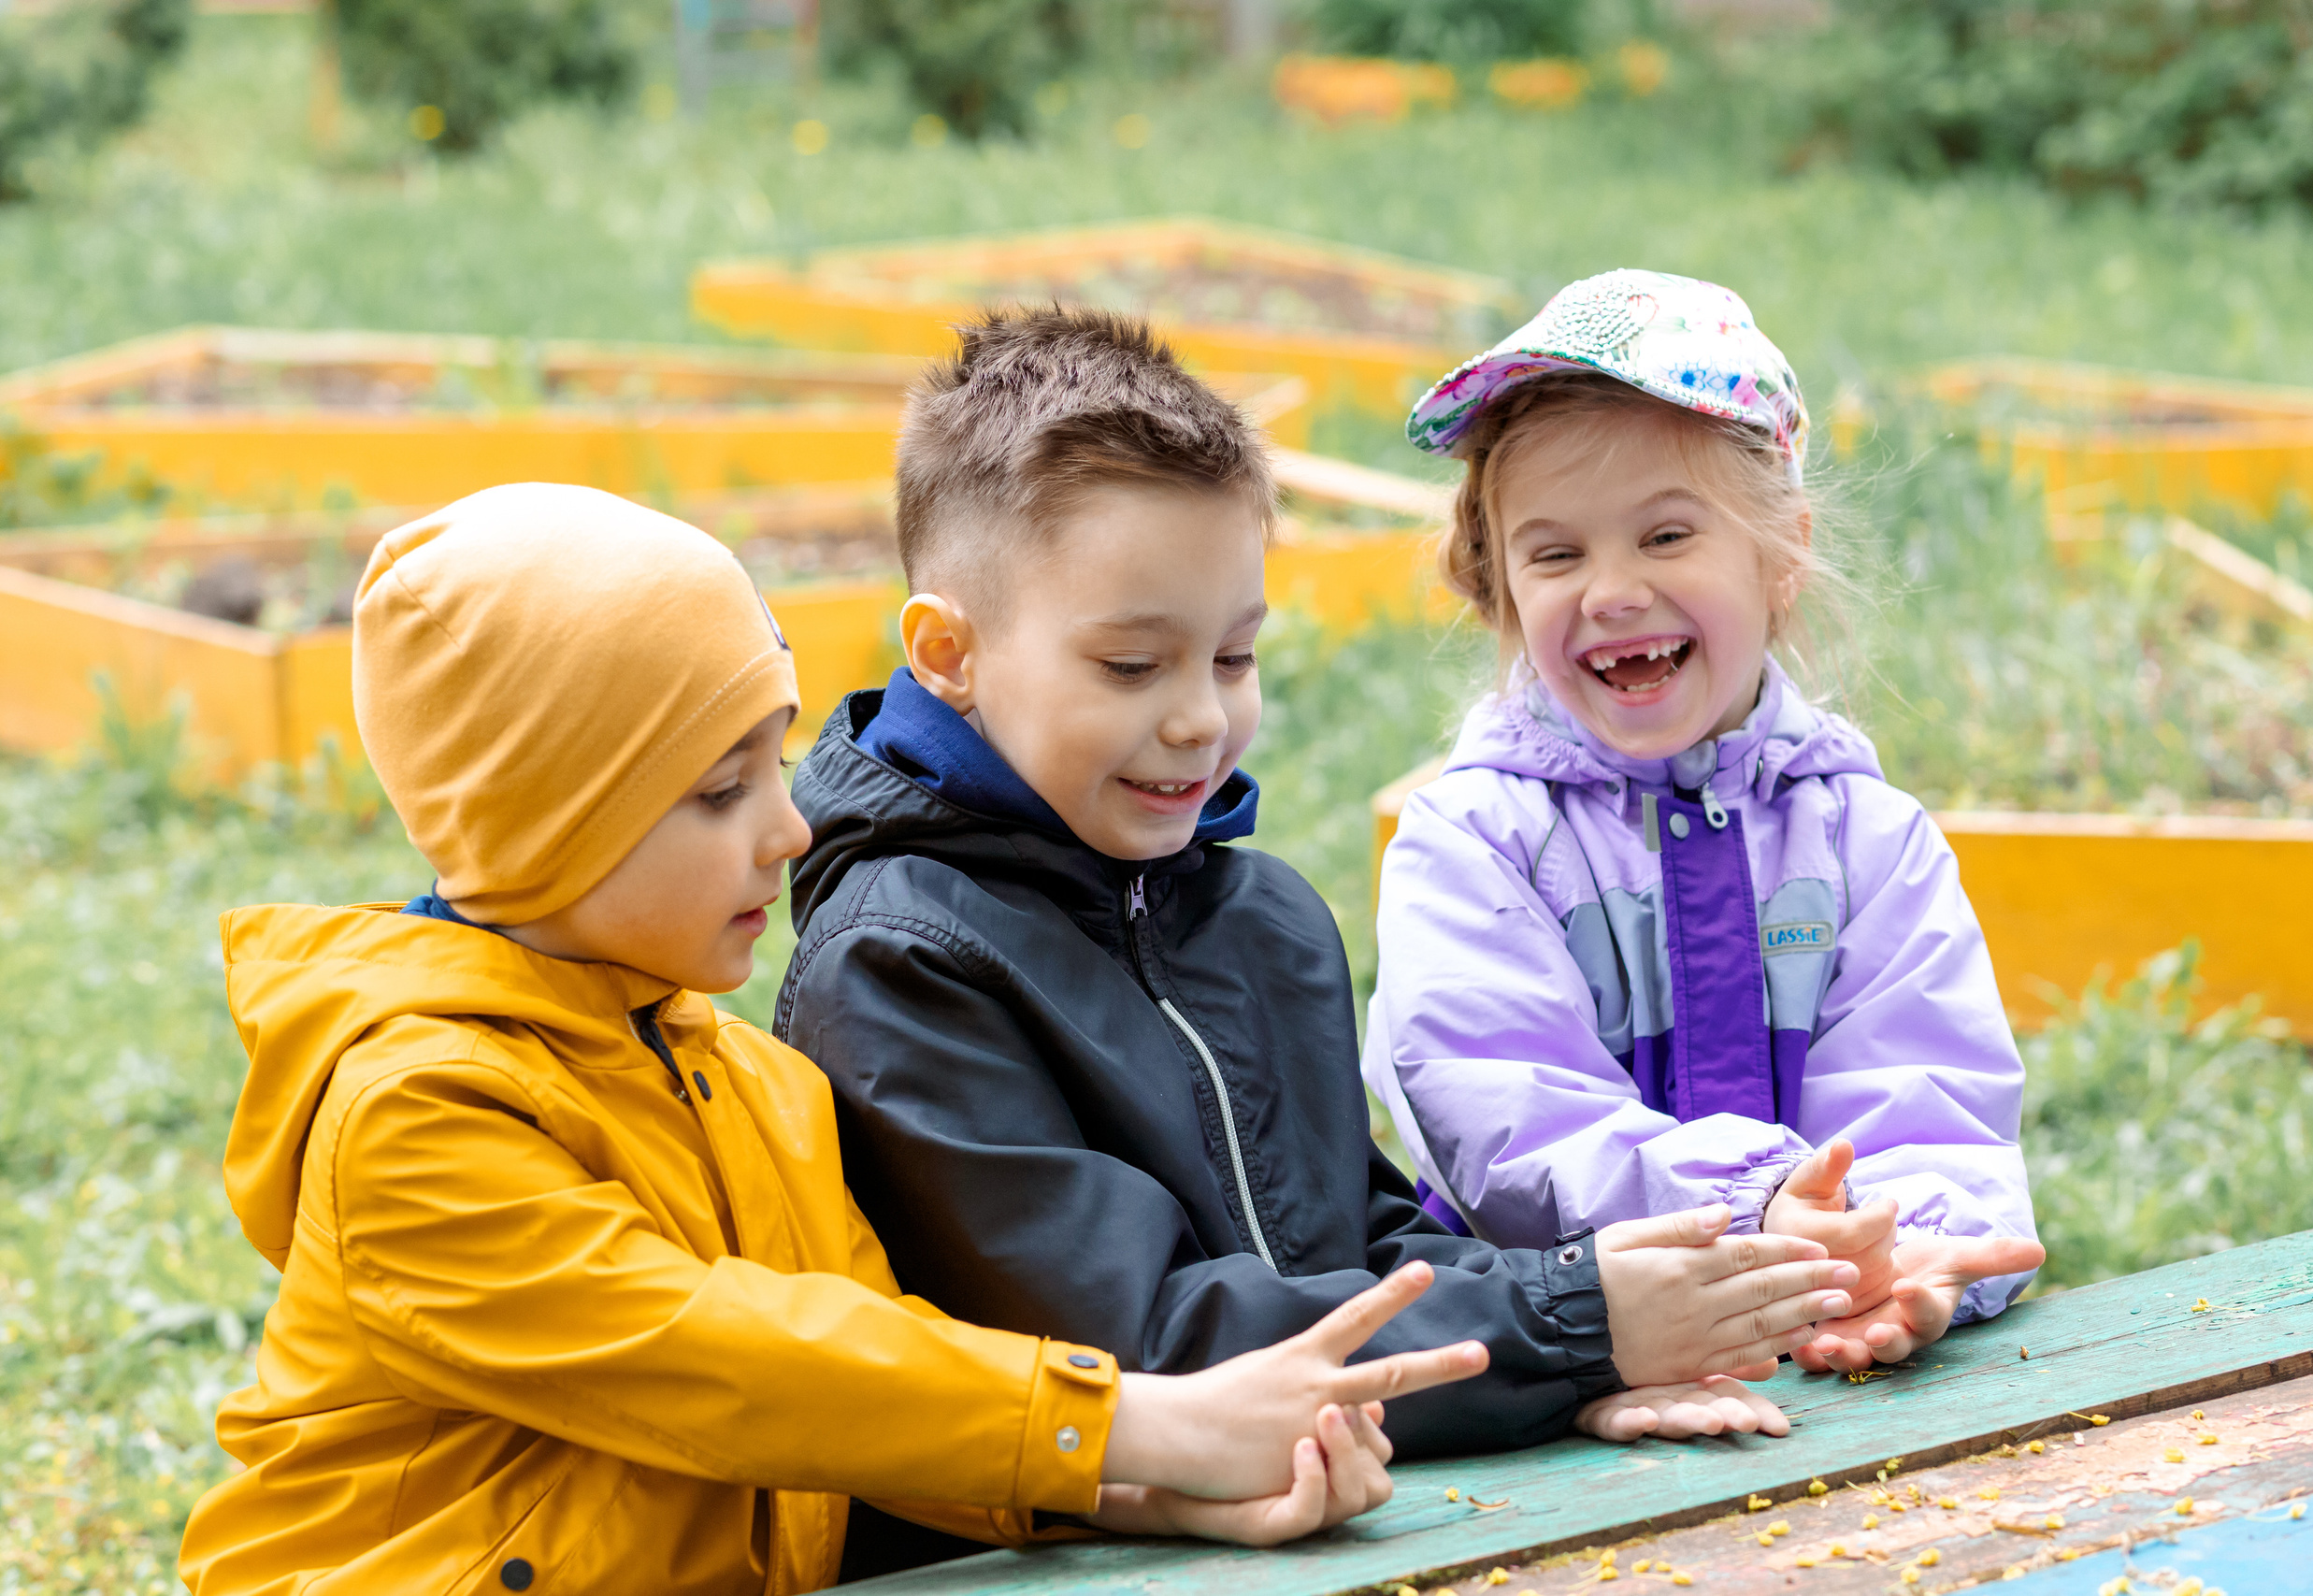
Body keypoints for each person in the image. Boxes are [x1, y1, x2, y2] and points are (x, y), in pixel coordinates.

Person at [178, 483, 1494, 1596]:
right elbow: (736, 1362)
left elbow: (879, 1386)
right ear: (539, 822)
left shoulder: (744, 1077)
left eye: (775, 759)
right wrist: (1137, 1423)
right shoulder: (412, 1118)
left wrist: (1139, 1490)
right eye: (717, 791)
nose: (791, 829)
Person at [773, 306, 1865, 1531]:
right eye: (1133, 666)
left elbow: (1368, 1244)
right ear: (949, 653)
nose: (1198, 718)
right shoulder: (902, 961)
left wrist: (1574, 1368)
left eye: (1232, 657)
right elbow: (1137, 1342)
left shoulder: (1261, 918)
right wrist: (1572, 1324)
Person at [1362, 269, 2047, 1377]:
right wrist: (1756, 1215)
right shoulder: (1473, 840)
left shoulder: (1869, 841)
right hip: (1566, 1372)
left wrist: (1894, 1253)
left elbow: (1930, 1100)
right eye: (1555, 554)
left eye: (1666, 536)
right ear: (1499, 588)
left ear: (1779, 559)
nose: (1613, 590)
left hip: (1832, 1351)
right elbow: (1505, 1116)